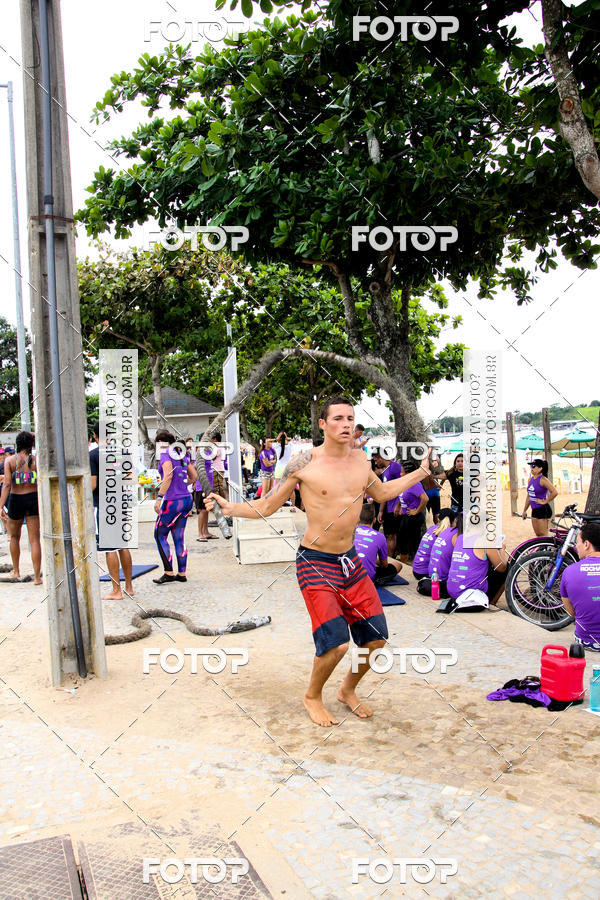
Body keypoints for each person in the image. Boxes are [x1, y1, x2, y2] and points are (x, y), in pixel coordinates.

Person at [204, 395, 430, 726]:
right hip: (315, 561)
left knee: (376, 637)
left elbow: (381, 494)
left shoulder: (361, 461)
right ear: (323, 424)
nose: (346, 424)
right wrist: (231, 508)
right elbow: (268, 506)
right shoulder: (303, 463)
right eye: (338, 418)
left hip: (350, 561)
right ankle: (312, 695)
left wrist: (420, 472)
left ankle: (347, 690)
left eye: (350, 418)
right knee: (336, 645)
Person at [89, 421, 134, 600]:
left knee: (110, 548)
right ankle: (129, 587)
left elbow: (93, 484)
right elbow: (129, 478)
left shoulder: (93, 455)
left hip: (104, 503)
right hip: (120, 501)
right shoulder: (122, 452)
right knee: (122, 545)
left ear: (94, 436)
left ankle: (116, 590)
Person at [153, 430, 198, 584]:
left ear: (161, 442)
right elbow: (194, 477)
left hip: (173, 502)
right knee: (179, 537)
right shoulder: (182, 455)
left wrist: (159, 498)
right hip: (186, 499)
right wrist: (183, 486)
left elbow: (168, 476)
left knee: (159, 534)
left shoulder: (165, 455)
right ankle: (182, 573)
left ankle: (169, 572)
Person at [0, 431, 42, 584]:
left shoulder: (10, 461)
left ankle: (16, 570)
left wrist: (0, 506)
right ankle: (37, 577)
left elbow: (6, 484)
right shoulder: (36, 461)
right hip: (33, 499)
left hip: (15, 499)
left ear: (17, 444)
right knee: (34, 539)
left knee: (14, 537)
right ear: (31, 445)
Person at [446, 513, 509, 606]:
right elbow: (502, 567)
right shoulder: (485, 541)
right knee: (508, 568)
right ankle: (492, 602)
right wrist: (501, 550)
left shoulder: (460, 537)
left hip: (453, 591)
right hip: (470, 595)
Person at [560, 522, 600, 651]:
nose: (576, 546)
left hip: (587, 642)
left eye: (578, 542)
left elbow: (572, 612)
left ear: (587, 544)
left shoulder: (569, 572)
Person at [354, 502, 403, 586]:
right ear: (374, 520)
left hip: (347, 574)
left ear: (358, 518)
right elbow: (384, 565)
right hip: (365, 578)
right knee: (398, 565)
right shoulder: (379, 536)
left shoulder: (350, 532)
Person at [395, 460, 428, 563]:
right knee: (402, 542)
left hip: (413, 518)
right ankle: (404, 564)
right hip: (405, 517)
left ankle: (415, 565)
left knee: (412, 544)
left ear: (408, 473)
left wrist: (416, 511)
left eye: (402, 472)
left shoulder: (414, 484)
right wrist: (399, 506)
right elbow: (402, 495)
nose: (400, 474)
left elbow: (425, 498)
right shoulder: (404, 483)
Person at [375, 451, 403, 559]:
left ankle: (390, 559)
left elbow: (403, 485)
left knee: (391, 535)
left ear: (381, 457)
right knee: (388, 535)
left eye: (376, 460)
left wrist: (398, 505)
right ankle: (389, 557)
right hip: (388, 507)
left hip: (395, 509)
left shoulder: (395, 467)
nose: (376, 463)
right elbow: (384, 492)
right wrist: (381, 511)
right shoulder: (385, 471)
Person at [522, 459, 558, 536]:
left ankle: (547, 547)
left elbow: (554, 492)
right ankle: (542, 547)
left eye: (534, 466)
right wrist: (524, 510)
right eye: (531, 466)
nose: (531, 468)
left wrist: (545, 501)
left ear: (540, 468)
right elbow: (529, 496)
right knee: (538, 534)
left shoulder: (543, 480)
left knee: (543, 534)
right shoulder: (530, 479)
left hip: (543, 509)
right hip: (534, 509)